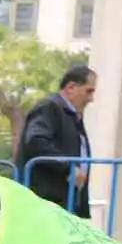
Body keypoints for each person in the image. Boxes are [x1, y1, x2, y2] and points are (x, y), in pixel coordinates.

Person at [14, 64, 97, 218]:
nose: (91, 99)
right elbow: (35, 141)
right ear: (71, 87)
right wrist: (68, 167)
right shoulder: (50, 108)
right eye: (89, 91)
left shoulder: (71, 115)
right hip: (47, 202)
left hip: (64, 203)